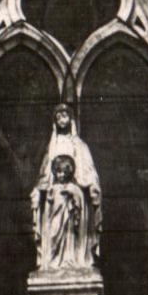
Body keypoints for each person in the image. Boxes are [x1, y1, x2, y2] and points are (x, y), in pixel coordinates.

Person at [30, 104, 102, 271]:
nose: (62, 119)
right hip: (54, 195)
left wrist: (92, 186)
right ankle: (53, 262)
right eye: (58, 117)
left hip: (75, 193)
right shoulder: (52, 146)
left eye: (65, 116)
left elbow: (89, 171)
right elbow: (44, 174)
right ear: (55, 121)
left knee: (73, 230)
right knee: (54, 230)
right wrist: (37, 190)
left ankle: (76, 260)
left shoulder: (80, 146)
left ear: (71, 119)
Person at [33, 154, 85, 270]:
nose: (61, 175)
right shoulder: (53, 188)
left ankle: (67, 260)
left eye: (64, 172)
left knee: (68, 240)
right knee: (53, 238)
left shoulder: (74, 188)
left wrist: (72, 195)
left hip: (68, 222)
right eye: (58, 172)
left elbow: (79, 202)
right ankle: (52, 261)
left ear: (69, 173)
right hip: (55, 221)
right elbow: (48, 207)